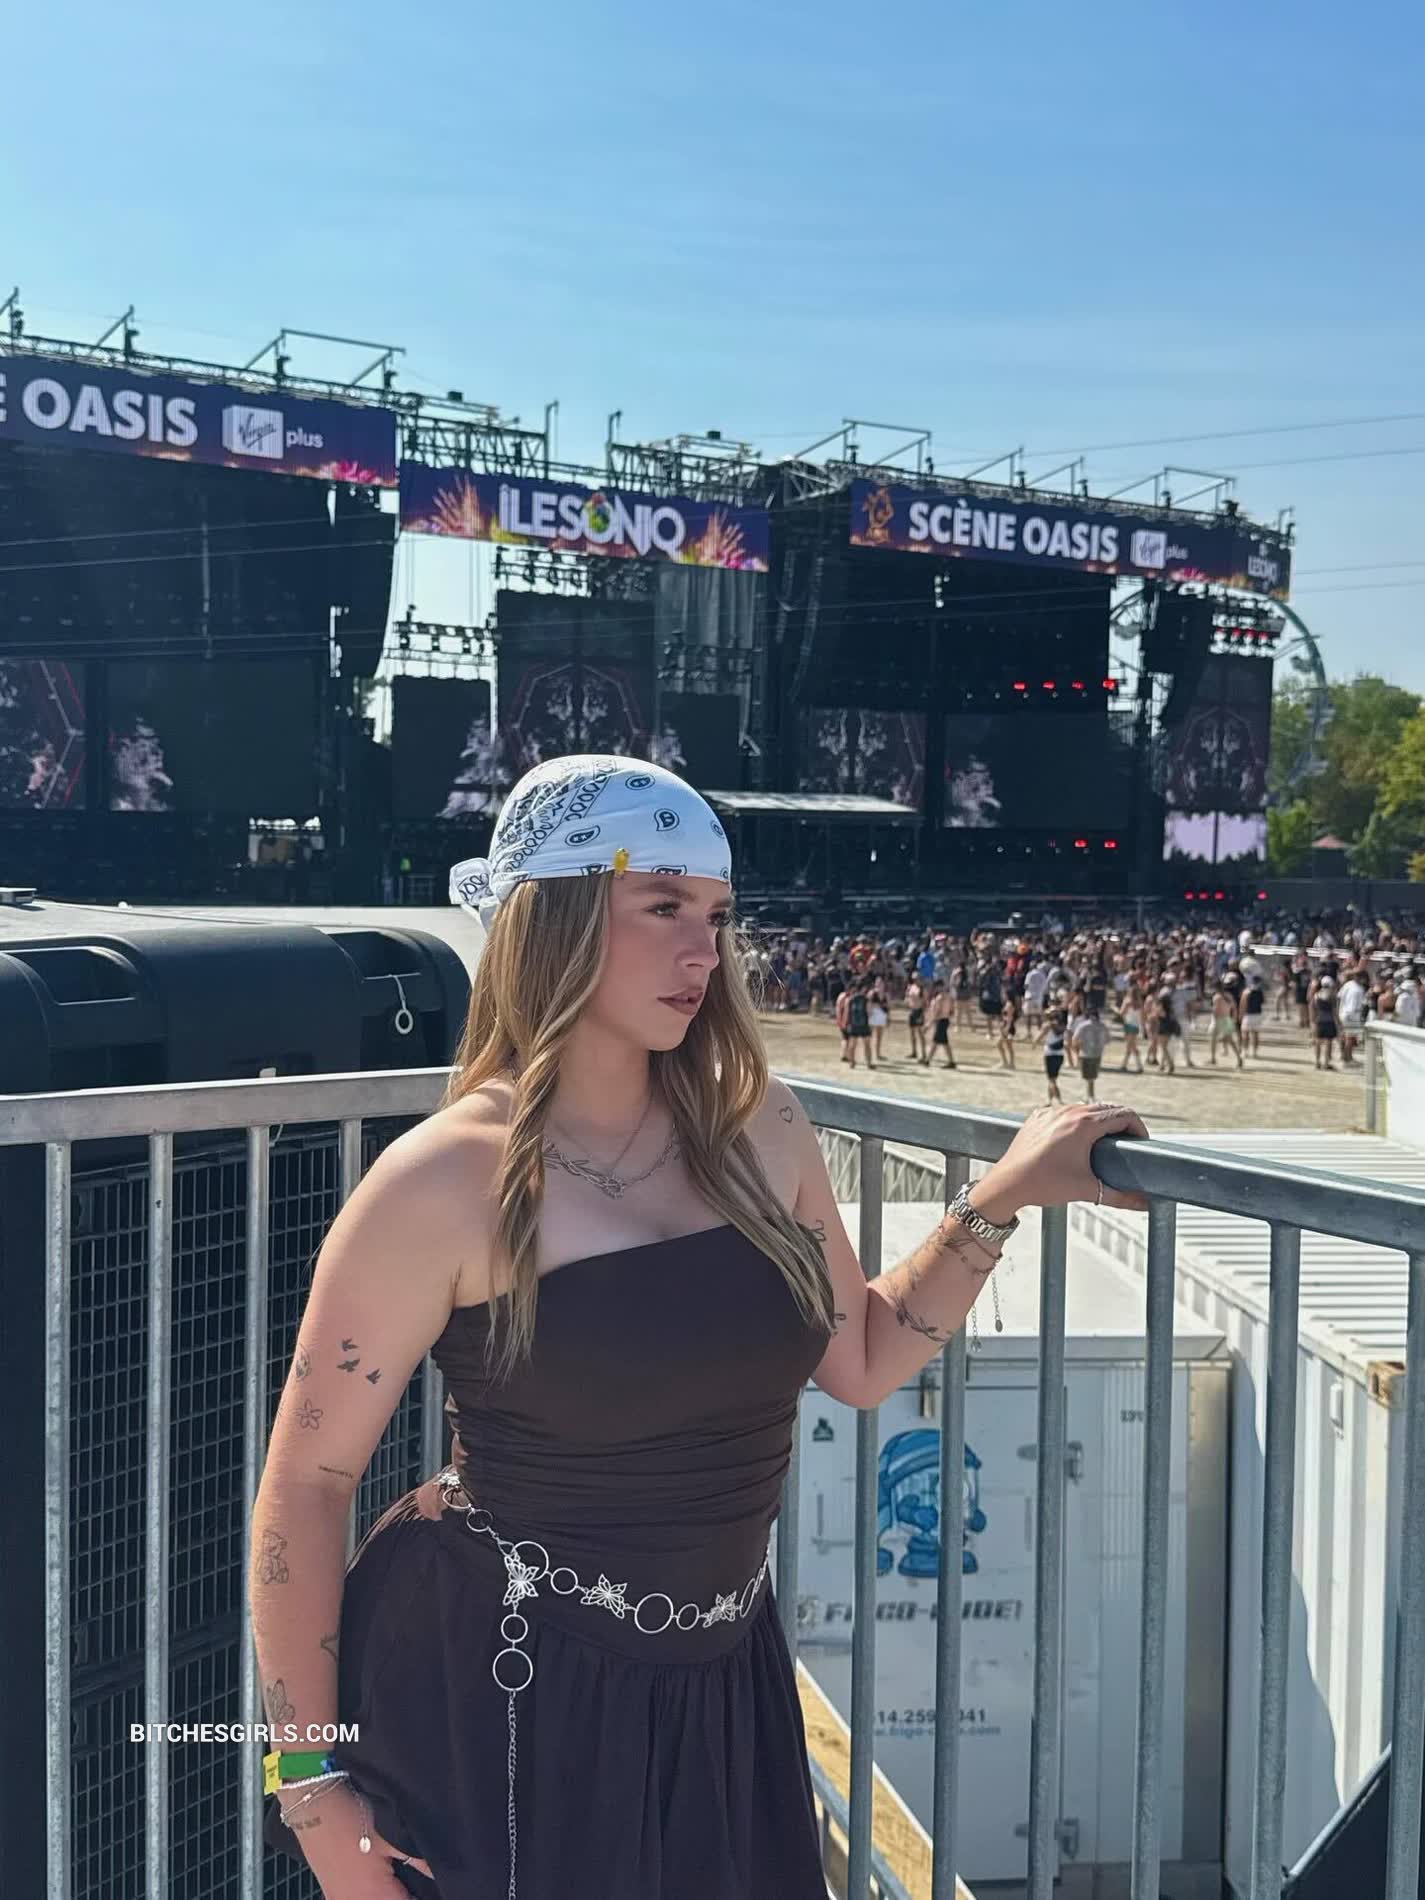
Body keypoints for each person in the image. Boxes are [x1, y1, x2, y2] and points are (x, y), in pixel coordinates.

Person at [251, 752, 1150, 1900]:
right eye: (664, 906)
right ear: (555, 917)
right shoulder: (441, 1181)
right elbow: (309, 1483)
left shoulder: (761, 1128)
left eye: (717, 915)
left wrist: (1002, 1198)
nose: (704, 950)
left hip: (724, 1684)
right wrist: (312, 1791)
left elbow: (862, 1357)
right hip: (504, 1691)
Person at [1071, 1005, 1109, 1101]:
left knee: (1087, 1077)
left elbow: (1074, 1039)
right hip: (1097, 1053)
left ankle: (1089, 1095)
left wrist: (1076, 1049)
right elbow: (1107, 1039)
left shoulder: (1083, 1025)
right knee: (1092, 1077)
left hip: (1085, 1053)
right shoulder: (1102, 1025)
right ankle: (1091, 1095)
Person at [1036, 1008, 1068, 1104]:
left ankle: (1058, 1099)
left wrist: (1034, 1043)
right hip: (1060, 1054)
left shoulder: (1048, 1026)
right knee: (1053, 1078)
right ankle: (1049, 1100)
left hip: (1050, 1054)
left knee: (1051, 1079)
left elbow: (1039, 1037)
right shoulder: (1063, 1026)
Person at [1337, 966, 1368, 1065]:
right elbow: (1354, 1006)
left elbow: (1339, 997)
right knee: (1350, 1038)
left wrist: (1339, 1012)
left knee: (1344, 1037)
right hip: (1352, 1014)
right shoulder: (1358, 989)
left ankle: (1344, 1056)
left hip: (1343, 1013)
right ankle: (1348, 1058)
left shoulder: (1348, 984)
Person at [1209, 987, 1244, 1069]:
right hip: (1227, 1019)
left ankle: (1213, 1058)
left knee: (1213, 1039)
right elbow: (1234, 1008)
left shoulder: (1217, 997)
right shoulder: (1229, 996)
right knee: (1230, 1041)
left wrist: (1214, 1020)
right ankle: (1239, 1058)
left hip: (1219, 1019)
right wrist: (1234, 1019)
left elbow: (1215, 1010)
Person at [926, 980, 957, 1069]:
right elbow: (952, 1011)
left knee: (936, 1041)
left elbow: (937, 1012)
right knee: (944, 1042)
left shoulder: (940, 997)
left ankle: (928, 1060)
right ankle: (951, 1061)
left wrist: (929, 1024)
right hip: (945, 1020)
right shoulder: (948, 997)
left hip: (941, 1020)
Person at [845, 979, 875, 1069]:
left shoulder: (851, 999)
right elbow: (869, 1013)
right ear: (863, 988)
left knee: (852, 1044)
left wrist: (848, 1023)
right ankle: (869, 1063)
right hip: (864, 1024)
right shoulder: (866, 999)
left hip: (853, 1023)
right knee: (867, 1045)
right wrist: (871, 1025)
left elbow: (847, 1012)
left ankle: (852, 1062)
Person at [1313, 976, 1340, 1070]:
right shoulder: (1332, 995)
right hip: (1329, 1021)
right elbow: (1334, 1011)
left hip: (1319, 1019)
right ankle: (1326, 1063)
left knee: (1318, 1041)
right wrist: (1339, 1023)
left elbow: (1315, 1008)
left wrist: (1313, 1021)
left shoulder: (1316, 995)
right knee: (1328, 1042)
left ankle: (1317, 1062)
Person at [1116, 984, 1145, 1074]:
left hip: (1128, 1024)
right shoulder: (1140, 1003)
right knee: (1132, 1046)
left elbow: (1121, 1013)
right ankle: (1138, 1066)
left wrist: (1115, 1009)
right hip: (1135, 1025)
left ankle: (1125, 1065)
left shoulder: (1127, 1002)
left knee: (1130, 1046)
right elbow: (1142, 1016)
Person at [1239, 971, 1265, 1060]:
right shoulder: (1260, 991)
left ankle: (1245, 1051)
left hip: (1248, 1015)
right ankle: (1254, 1052)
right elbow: (1262, 1002)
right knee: (1255, 1034)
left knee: (1245, 1034)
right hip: (1257, 1014)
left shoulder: (1246, 992)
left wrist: (1240, 1015)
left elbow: (1243, 1004)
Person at [867, 976, 890, 1064]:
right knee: (869, 1035)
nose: (879, 984)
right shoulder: (872, 993)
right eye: (878, 982)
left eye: (881, 983)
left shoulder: (886, 994)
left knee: (879, 1036)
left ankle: (878, 1053)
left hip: (882, 1015)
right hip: (873, 1015)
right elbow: (868, 1004)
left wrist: (888, 1018)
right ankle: (868, 1053)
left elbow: (888, 1007)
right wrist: (869, 1015)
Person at [904, 976, 927, 1064]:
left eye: (918, 979)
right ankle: (914, 1052)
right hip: (912, 1010)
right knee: (912, 1033)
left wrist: (922, 1014)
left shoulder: (922, 989)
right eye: (915, 979)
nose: (916, 980)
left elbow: (925, 1003)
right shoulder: (911, 987)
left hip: (919, 1011)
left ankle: (924, 1054)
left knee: (920, 1033)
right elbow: (907, 998)